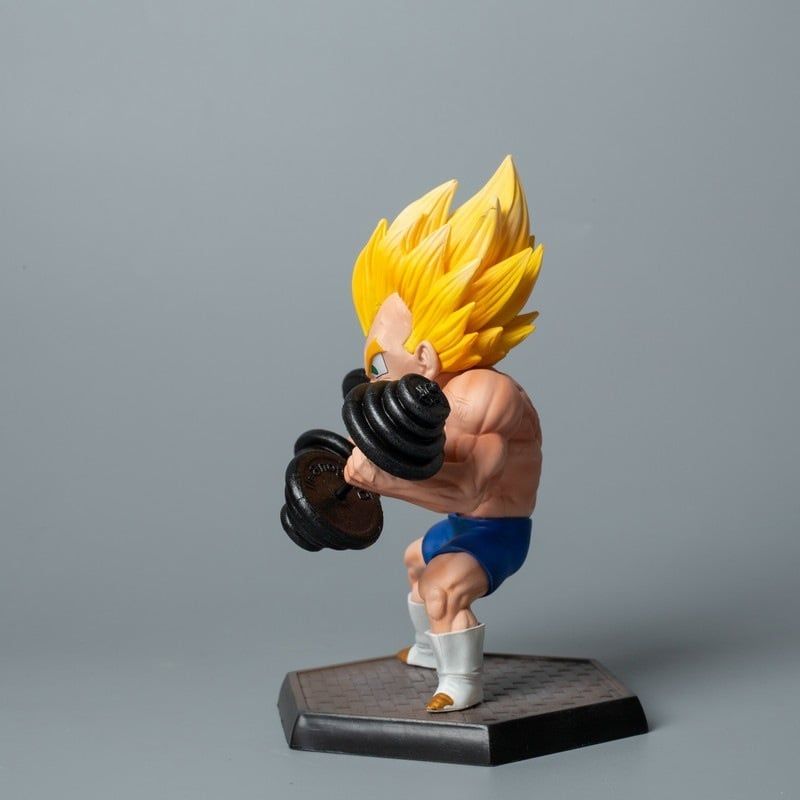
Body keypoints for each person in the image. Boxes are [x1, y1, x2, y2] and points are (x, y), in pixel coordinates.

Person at [344, 156, 544, 712]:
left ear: (427, 357)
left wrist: (383, 480)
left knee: (442, 585)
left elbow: (468, 491)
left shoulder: (483, 399)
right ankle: (430, 649)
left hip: (497, 530)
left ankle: (460, 684)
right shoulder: (432, 395)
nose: (374, 377)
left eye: (381, 361)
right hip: (462, 523)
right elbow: (427, 461)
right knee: (416, 559)